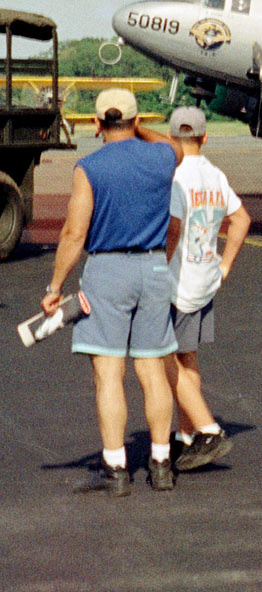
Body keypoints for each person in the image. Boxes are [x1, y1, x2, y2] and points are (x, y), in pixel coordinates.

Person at [41, 88, 180, 495]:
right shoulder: (162, 156)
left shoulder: (89, 167)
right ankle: (161, 464)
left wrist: (55, 286)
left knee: (109, 374)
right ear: (136, 121)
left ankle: (116, 468)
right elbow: (174, 146)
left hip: (108, 270)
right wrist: (141, 129)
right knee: (153, 371)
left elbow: (74, 234)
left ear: (97, 123)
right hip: (154, 267)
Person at [159, 106, 250, 471]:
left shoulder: (176, 175)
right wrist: (225, 265)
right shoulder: (214, 174)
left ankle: (207, 429)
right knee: (188, 358)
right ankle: (185, 436)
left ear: (170, 139)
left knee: (164, 360)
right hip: (204, 280)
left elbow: (173, 230)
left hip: (175, 283)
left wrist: (153, 268)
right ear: (204, 137)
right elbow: (241, 218)